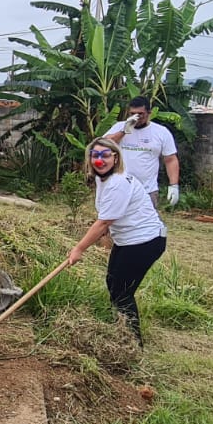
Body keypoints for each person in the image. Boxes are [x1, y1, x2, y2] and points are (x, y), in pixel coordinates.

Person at [66, 137, 168, 344]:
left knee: (122, 292)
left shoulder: (118, 183)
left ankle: (131, 343)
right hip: (127, 240)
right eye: (95, 155)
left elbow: (103, 223)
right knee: (113, 283)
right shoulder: (101, 179)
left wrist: (79, 249)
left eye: (105, 155)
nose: (100, 160)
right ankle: (121, 329)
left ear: (115, 158)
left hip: (144, 242)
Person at [104, 96, 181, 208]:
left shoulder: (161, 132)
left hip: (147, 190)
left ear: (149, 113)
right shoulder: (119, 127)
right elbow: (103, 145)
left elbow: (170, 159)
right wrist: (124, 131)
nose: (136, 117)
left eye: (140, 114)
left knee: (146, 223)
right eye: (132, 114)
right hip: (119, 187)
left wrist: (174, 185)